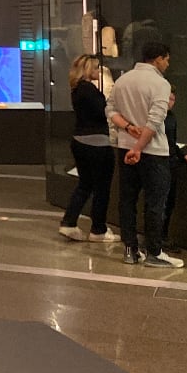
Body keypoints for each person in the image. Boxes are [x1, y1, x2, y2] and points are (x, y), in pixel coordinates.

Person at [105, 40, 177, 267]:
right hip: (152, 151)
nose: (167, 63)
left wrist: (127, 127)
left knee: (127, 200)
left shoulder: (123, 80)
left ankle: (130, 249)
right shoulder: (160, 84)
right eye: (166, 59)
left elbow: (110, 110)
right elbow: (155, 120)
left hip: (125, 146)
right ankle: (154, 251)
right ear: (158, 59)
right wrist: (139, 147)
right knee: (155, 202)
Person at [58, 54, 119, 243]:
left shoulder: (77, 89)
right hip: (96, 142)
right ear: (87, 70)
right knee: (102, 187)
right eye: (95, 68)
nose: (97, 72)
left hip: (80, 140)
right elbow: (103, 111)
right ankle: (98, 228)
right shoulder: (88, 90)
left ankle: (69, 222)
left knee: (85, 184)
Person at [158, 87, 187, 254]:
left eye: (173, 100)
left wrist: (182, 156)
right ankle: (156, 237)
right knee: (160, 202)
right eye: (168, 99)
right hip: (160, 161)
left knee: (169, 202)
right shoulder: (157, 117)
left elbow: (172, 142)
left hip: (171, 161)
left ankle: (163, 235)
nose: (170, 103)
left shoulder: (172, 117)